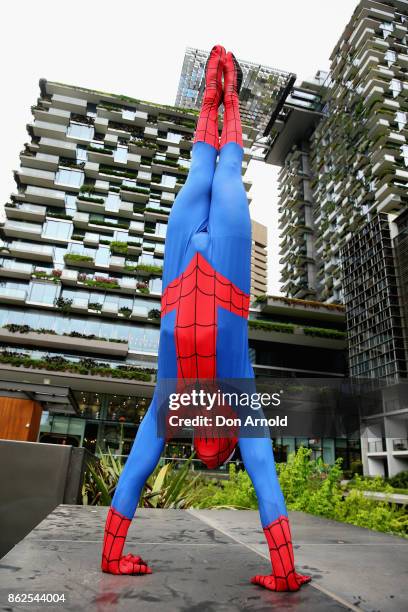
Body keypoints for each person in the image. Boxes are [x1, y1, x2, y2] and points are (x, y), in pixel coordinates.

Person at [101, 45, 311, 592]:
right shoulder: (226, 407)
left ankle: (220, 92)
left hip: (193, 270)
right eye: (214, 450)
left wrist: (113, 555)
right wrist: (284, 572)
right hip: (210, 269)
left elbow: (138, 472)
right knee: (217, 167)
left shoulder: (176, 408)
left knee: (213, 166)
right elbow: (262, 479)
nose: (210, 446)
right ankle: (223, 92)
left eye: (208, 447)